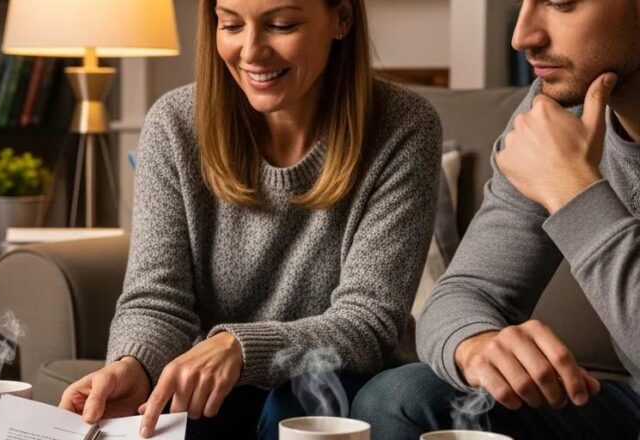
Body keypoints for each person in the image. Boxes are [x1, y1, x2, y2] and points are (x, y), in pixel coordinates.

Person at [58, 0, 442, 438]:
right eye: (231, 25)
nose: (251, 51)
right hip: (217, 394)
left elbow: (369, 323)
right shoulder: (174, 124)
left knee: (294, 400)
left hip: (338, 386)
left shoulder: (404, 125)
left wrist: (240, 348)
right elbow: (156, 300)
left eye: (281, 25)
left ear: (342, 19)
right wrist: (134, 364)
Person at [351, 1, 640, 438]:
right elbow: (468, 291)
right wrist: (475, 345)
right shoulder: (554, 110)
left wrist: (572, 191)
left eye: (560, 2)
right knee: (399, 399)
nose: (523, 36)